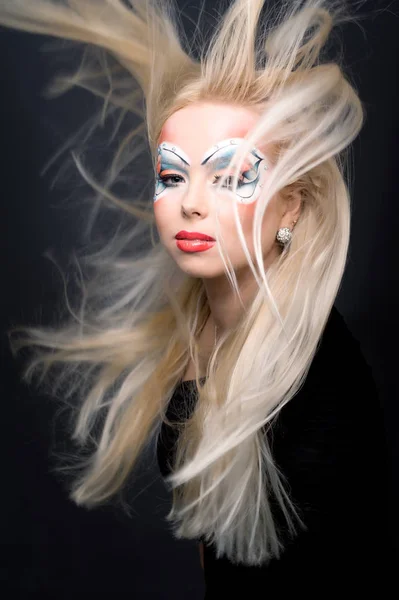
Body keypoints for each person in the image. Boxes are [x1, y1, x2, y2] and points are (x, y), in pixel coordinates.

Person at [2, 0, 393, 595]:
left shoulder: (318, 391)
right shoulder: (205, 322)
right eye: (173, 174)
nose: (191, 201)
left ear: (291, 205)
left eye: (231, 177)